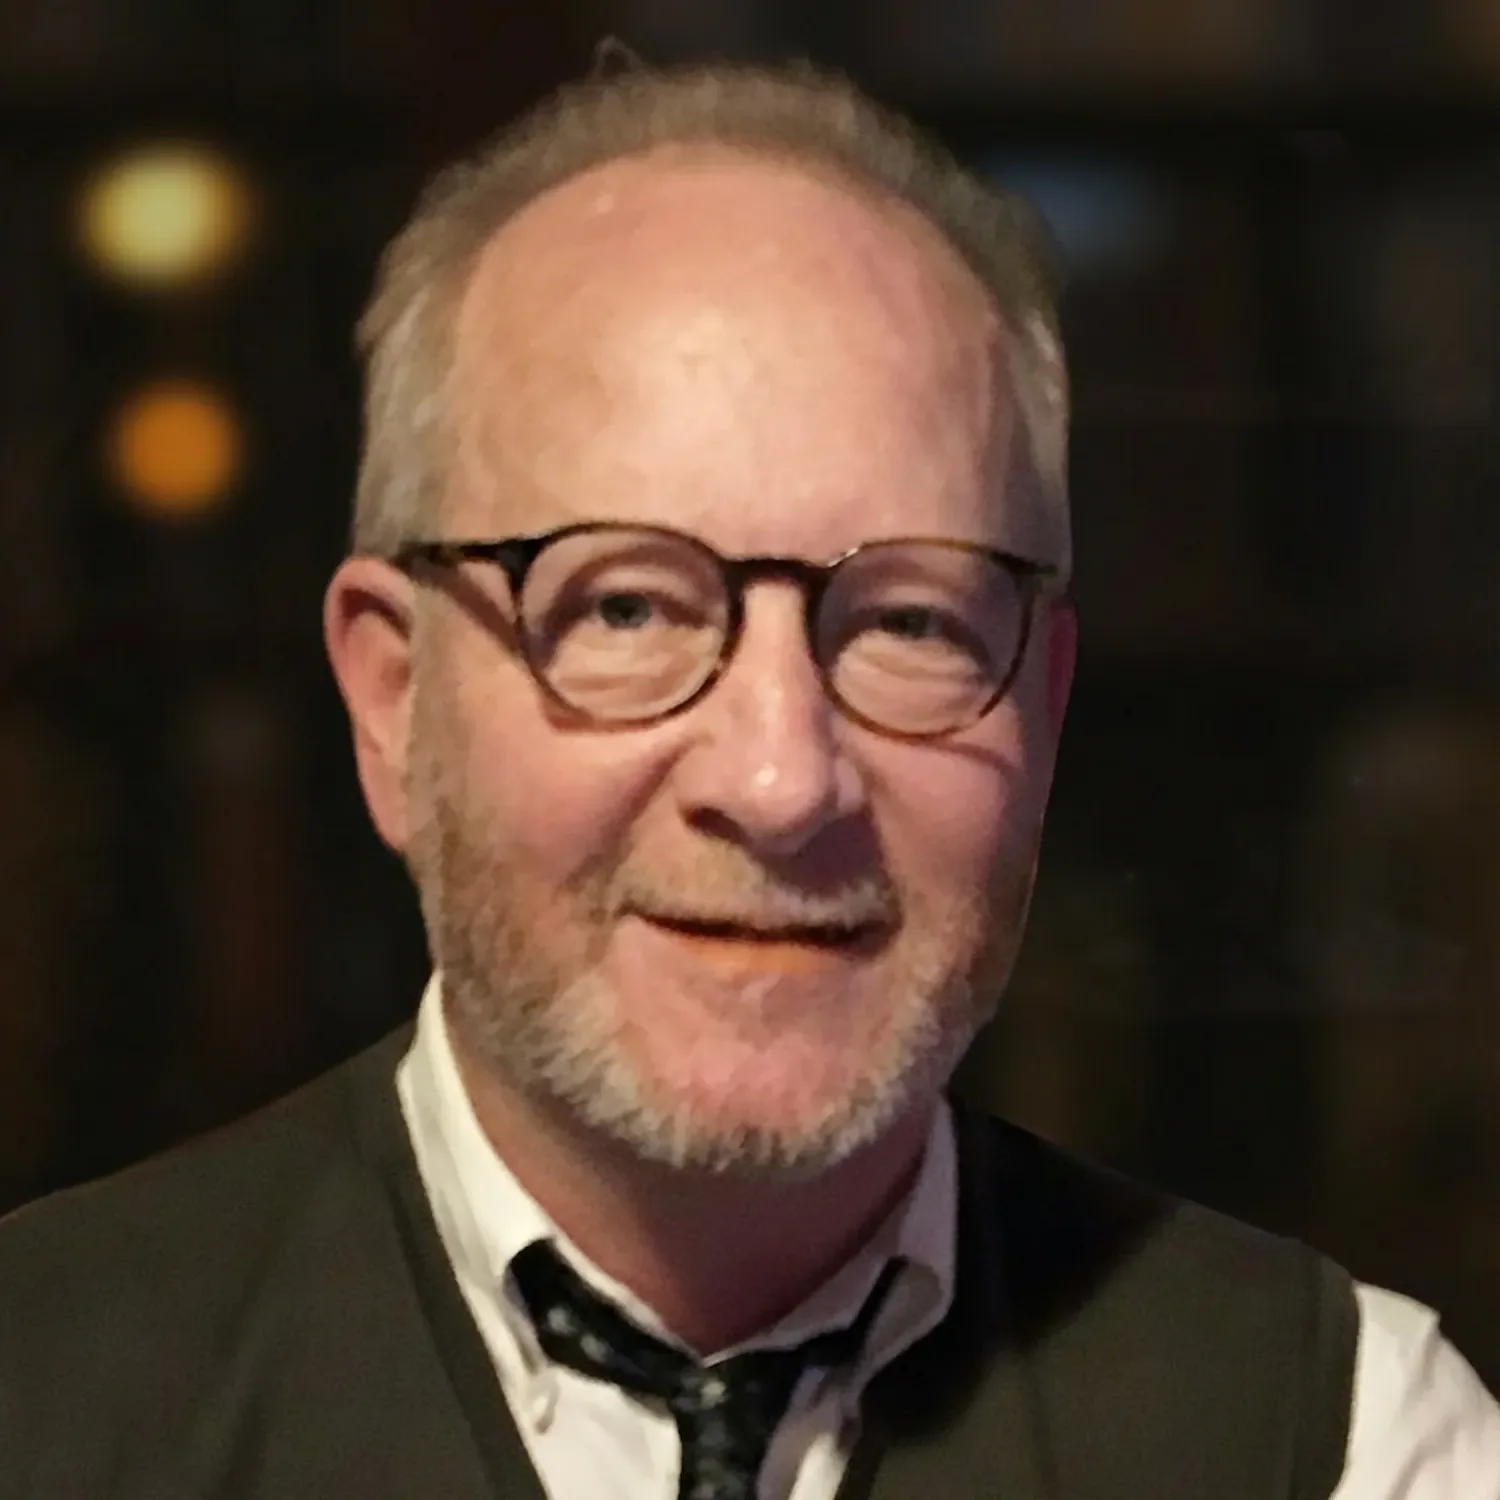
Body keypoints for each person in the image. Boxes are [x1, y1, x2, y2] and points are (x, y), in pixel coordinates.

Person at [0, 60, 1495, 1500]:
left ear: (1043, 705)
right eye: (625, 610)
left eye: (910, 620)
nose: (782, 780)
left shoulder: (1338, 1440)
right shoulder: (43, 1396)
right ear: (394, 706)